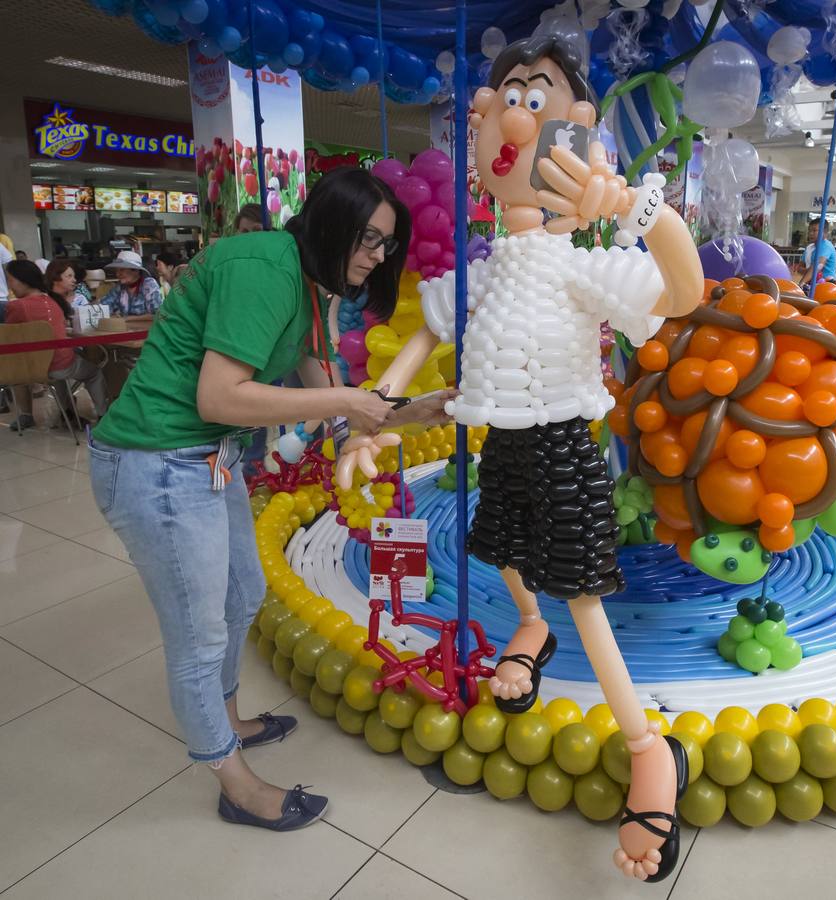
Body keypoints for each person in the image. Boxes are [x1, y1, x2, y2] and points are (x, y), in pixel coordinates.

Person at [348, 35, 703, 882]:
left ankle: (650, 749)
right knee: (497, 545)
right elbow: (416, 353)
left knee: (581, 591)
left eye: (536, 99)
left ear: (575, 137)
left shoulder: (585, 265)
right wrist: (371, 424)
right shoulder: (473, 275)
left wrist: (637, 212)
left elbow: (684, 295)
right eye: (504, 96)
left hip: (560, 440)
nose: (511, 112)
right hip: (500, 439)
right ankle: (528, 629)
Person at [88, 167, 452, 833]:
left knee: (241, 598)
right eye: (369, 240)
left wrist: (415, 412)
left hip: (208, 461)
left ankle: (226, 717)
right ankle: (234, 783)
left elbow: (336, 405)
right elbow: (220, 397)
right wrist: (348, 400)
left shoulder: (313, 289)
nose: (376, 257)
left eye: (386, 246)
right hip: (155, 464)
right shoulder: (265, 267)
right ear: (331, 223)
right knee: (198, 635)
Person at [3, 259, 108, 430]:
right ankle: (104, 415)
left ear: (22, 280)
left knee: (57, 371)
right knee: (93, 372)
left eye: (10, 280)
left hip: (34, 368)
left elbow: (9, 336)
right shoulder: (54, 302)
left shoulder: (16, 306)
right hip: (58, 365)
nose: (9, 285)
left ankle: (66, 413)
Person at [101, 250, 163, 323]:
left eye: (122, 270)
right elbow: (104, 306)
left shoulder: (148, 284)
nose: (118, 274)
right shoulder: (119, 288)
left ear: (136, 271)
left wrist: (127, 318)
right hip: (126, 331)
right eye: (117, 270)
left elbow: (157, 314)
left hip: (148, 331)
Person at [797, 218, 836, 288]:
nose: (810, 233)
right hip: (811, 284)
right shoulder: (809, 248)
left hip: (828, 285)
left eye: (814, 230)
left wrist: (800, 284)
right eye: (809, 230)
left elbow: (817, 266)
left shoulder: (826, 246)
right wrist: (809, 270)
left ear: (825, 232)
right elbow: (799, 268)